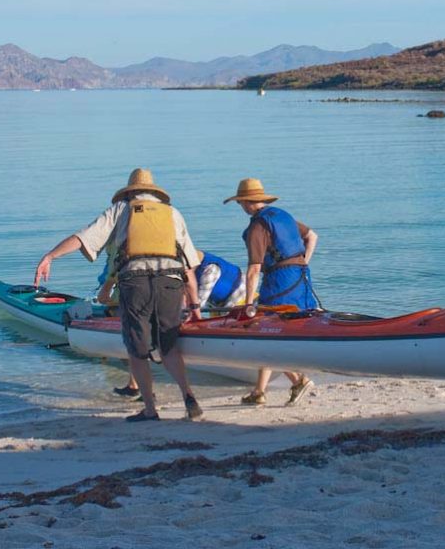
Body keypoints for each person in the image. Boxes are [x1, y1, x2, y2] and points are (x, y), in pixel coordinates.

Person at [35, 168, 204, 422]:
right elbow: (190, 266)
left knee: (136, 349)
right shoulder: (173, 214)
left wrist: (50, 256)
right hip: (170, 283)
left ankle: (149, 409)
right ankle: (189, 397)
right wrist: (194, 305)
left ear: (130, 191)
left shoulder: (122, 209)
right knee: (168, 346)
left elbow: (84, 238)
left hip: (135, 284)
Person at [224, 177, 318, 407]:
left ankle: (299, 380)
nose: (241, 207)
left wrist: (248, 304)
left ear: (247, 202)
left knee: (263, 330)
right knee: (272, 332)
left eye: (240, 203)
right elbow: (312, 236)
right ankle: (259, 391)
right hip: (301, 276)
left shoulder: (257, 226)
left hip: (279, 281)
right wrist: (303, 261)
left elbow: (254, 270)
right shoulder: (282, 215)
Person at [108, 249, 245, 399]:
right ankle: (138, 383)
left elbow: (198, 302)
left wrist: (184, 319)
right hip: (216, 303)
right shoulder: (187, 269)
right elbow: (184, 296)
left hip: (236, 299)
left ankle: (238, 361)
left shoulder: (210, 270)